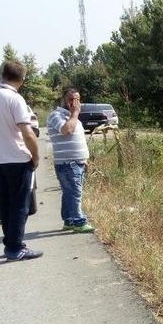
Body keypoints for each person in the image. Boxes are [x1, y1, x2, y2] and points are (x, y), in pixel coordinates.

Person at [0, 61, 43, 261]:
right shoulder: (14, 98)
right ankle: (15, 247)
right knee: (20, 205)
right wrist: (36, 157)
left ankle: (10, 243)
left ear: (2, 74)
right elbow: (27, 132)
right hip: (16, 158)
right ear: (21, 79)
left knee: (5, 203)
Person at [47, 87, 94, 233]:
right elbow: (66, 130)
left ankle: (68, 220)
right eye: (71, 99)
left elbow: (77, 138)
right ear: (63, 100)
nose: (75, 102)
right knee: (75, 193)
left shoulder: (73, 117)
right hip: (68, 163)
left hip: (77, 161)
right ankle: (79, 222)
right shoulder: (56, 115)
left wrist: (84, 158)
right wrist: (75, 114)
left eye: (78, 99)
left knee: (69, 192)